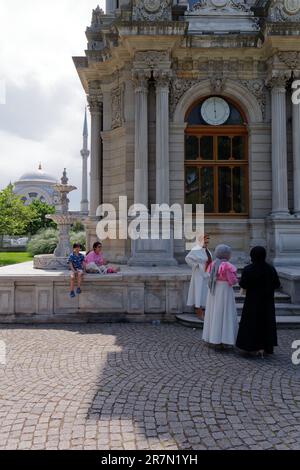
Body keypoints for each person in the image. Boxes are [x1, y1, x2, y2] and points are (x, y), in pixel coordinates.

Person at [236, 246, 281, 357]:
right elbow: (277, 284)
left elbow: (243, 284)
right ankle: (265, 347)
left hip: (252, 302)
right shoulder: (271, 269)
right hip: (267, 302)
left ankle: (251, 347)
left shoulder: (248, 269)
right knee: (266, 324)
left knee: (252, 324)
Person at [202, 244, 238, 348]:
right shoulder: (227, 265)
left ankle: (213, 337)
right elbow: (232, 281)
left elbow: (208, 276)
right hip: (225, 291)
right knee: (225, 313)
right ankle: (224, 339)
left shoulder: (212, 264)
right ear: (226, 255)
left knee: (214, 313)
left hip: (213, 291)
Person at [185, 234, 212, 321]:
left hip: (206, 274)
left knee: (204, 292)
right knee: (198, 291)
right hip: (199, 274)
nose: (207, 243)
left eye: (208, 242)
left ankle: (204, 310)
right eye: (205, 241)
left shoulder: (207, 250)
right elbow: (188, 258)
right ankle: (199, 311)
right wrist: (196, 265)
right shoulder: (195, 250)